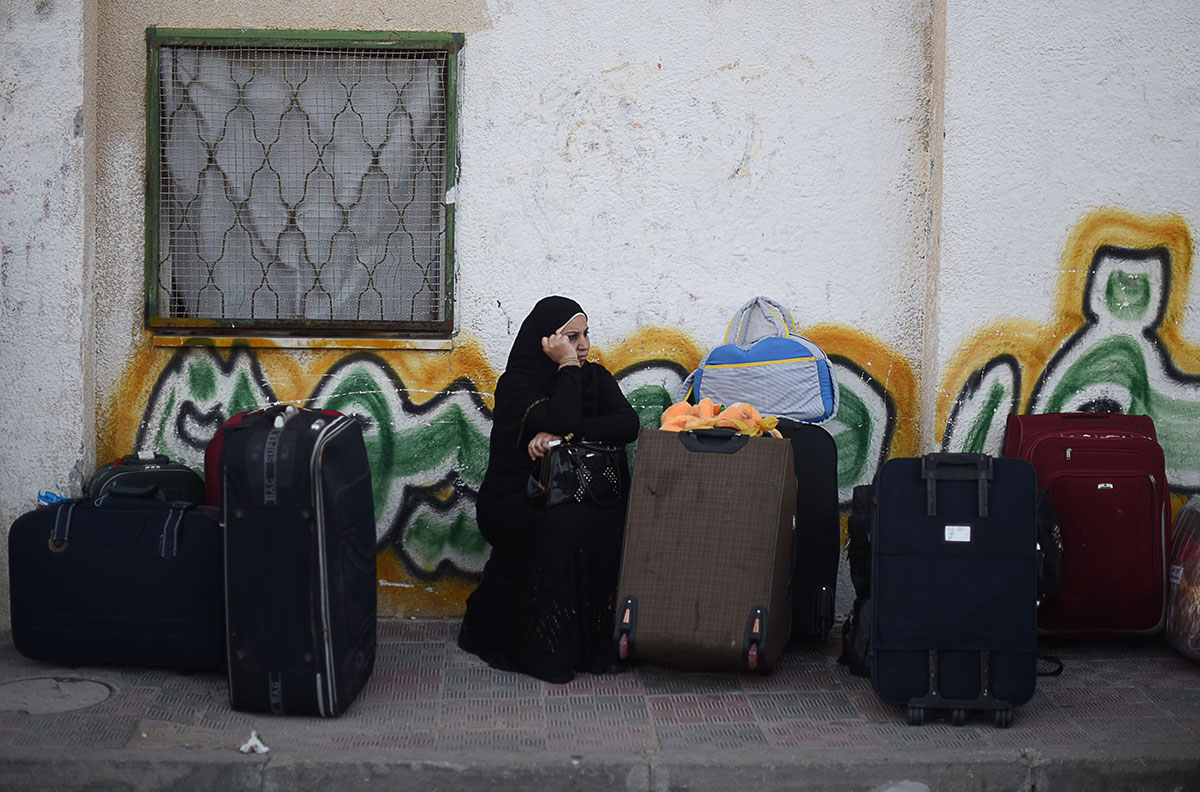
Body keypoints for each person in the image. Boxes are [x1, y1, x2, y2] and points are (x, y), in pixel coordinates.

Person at [457, 296, 640, 683]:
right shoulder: (517, 385)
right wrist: (568, 368)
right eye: (572, 337)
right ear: (547, 341)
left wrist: (564, 435)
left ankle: (594, 647)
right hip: (516, 499)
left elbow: (627, 426)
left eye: (586, 334)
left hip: (583, 491)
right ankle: (548, 648)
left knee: (610, 521)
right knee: (563, 527)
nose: (584, 345)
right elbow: (561, 414)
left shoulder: (597, 378)